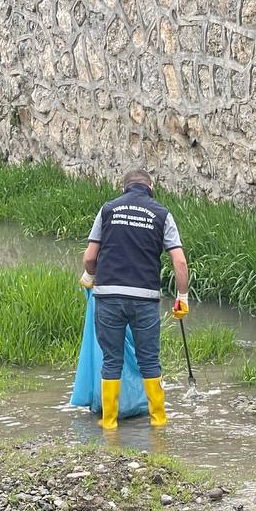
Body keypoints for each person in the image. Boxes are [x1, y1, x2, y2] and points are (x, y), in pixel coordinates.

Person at [80, 169, 190, 429]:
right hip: (145, 298)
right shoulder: (162, 214)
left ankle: (109, 424)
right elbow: (180, 262)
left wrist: (89, 275)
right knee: (149, 360)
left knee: (112, 360)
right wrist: (181, 297)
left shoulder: (108, 209)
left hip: (109, 296)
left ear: (124, 188)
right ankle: (159, 422)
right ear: (151, 187)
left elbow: (89, 257)